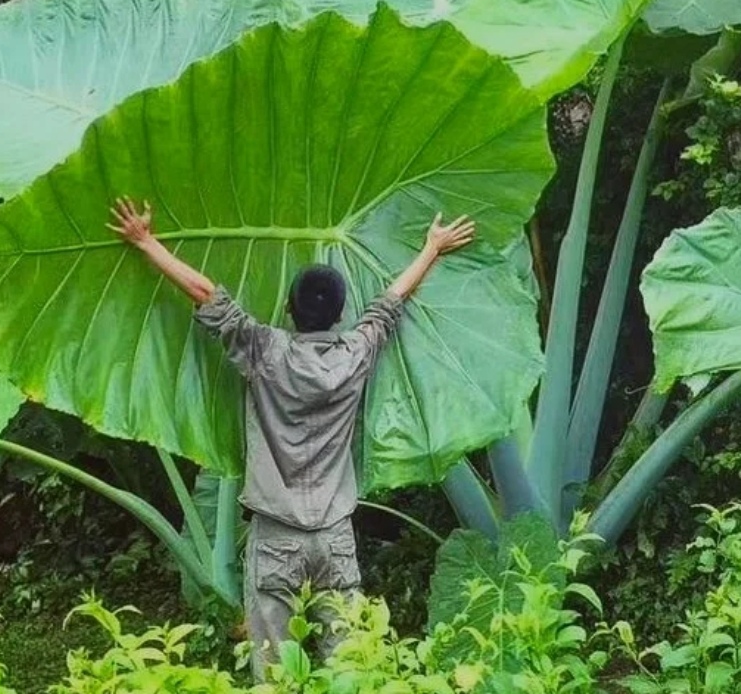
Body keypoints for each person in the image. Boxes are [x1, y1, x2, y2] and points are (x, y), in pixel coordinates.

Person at [107, 196, 476, 675]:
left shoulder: (265, 350)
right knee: (349, 666)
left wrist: (145, 241)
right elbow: (390, 303)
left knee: (273, 670)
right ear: (341, 314)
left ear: (287, 308)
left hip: (277, 534)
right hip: (335, 535)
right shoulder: (355, 354)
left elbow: (205, 293)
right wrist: (431, 247)